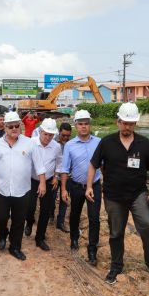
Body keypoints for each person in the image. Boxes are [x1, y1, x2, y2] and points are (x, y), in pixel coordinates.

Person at [87, 103, 149, 285]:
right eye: (124, 123)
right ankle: (116, 265)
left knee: (148, 225)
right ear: (118, 121)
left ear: (135, 123)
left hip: (138, 194)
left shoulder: (144, 144)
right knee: (116, 232)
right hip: (113, 196)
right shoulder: (107, 142)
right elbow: (93, 164)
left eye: (131, 123)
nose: (127, 127)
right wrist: (89, 186)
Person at [0, 111, 45, 261]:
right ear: (4, 127)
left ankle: (15, 247)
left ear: (20, 126)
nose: (14, 129)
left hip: (22, 190)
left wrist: (42, 182)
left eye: (17, 126)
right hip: (2, 189)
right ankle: (3, 233)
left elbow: (39, 165)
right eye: (10, 126)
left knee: (19, 220)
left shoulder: (29, 143)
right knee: (0, 216)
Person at [60, 110, 102, 266]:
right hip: (76, 186)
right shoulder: (70, 146)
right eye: (81, 124)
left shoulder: (98, 142)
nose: (84, 127)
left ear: (90, 125)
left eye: (86, 124)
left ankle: (92, 249)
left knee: (94, 218)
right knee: (75, 215)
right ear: (76, 125)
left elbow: (103, 165)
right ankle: (74, 239)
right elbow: (65, 169)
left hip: (95, 186)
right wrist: (63, 189)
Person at [25, 118, 62, 251]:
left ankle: (39, 238)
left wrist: (56, 176)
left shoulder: (56, 147)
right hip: (32, 180)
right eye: (45, 134)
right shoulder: (31, 143)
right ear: (40, 132)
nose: (48, 137)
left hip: (48, 181)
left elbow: (59, 162)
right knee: (30, 207)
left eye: (50, 135)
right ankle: (29, 222)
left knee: (45, 210)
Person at [55, 123, 72, 233]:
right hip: (55, 176)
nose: (65, 138)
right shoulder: (52, 142)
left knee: (64, 199)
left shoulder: (71, 143)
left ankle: (60, 222)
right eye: (63, 135)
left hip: (67, 176)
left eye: (68, 136)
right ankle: (50, 215)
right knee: (51, 198)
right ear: (59, 132)